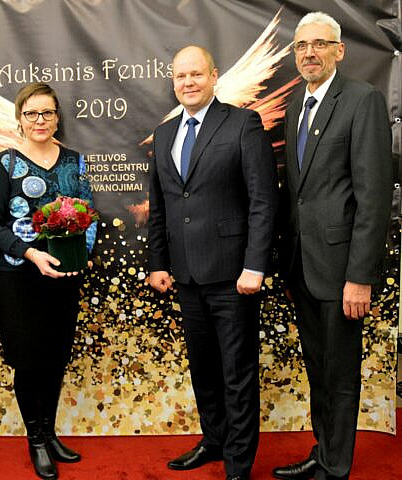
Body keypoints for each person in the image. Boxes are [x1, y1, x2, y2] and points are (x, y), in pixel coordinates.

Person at [147, 46, 278, 480]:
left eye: (196, 74)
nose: (188, 82)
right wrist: (158, 263)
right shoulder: (164, 134)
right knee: (203, 367)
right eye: (180, 76)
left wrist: (255, 266)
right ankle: (214, 440)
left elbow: (263, 201)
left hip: (233, 275)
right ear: (173, 82)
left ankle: (238, 464)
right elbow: (161, 206)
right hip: (185, 275)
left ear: (214, 76)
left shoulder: (243, 123)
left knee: (237, 372)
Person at [273, 12, 392, 480]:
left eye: (320, 44)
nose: (310, 53)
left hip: (343, 271)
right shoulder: (295, 105)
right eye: (302, 46)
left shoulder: (362, 100)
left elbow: (373, 196)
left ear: (339, 51)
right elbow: (297, 193)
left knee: (339, 373)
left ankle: (336, 466)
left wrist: (359, 277)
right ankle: (323, 451)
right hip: (303, 267)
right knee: (319, 369)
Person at [0, 82, 96, 480]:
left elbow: (88, 215)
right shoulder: (4, 164)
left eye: (47, 112)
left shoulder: (75, 161)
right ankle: (36, 439)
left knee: (56, 357)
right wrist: (29, 252)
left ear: (57, 117)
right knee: (29, 362)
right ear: (20, 119)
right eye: (31, 113)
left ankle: (49, 432)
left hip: (63, 277)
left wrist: (80, 256)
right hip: (18, 278)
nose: (39, 120)